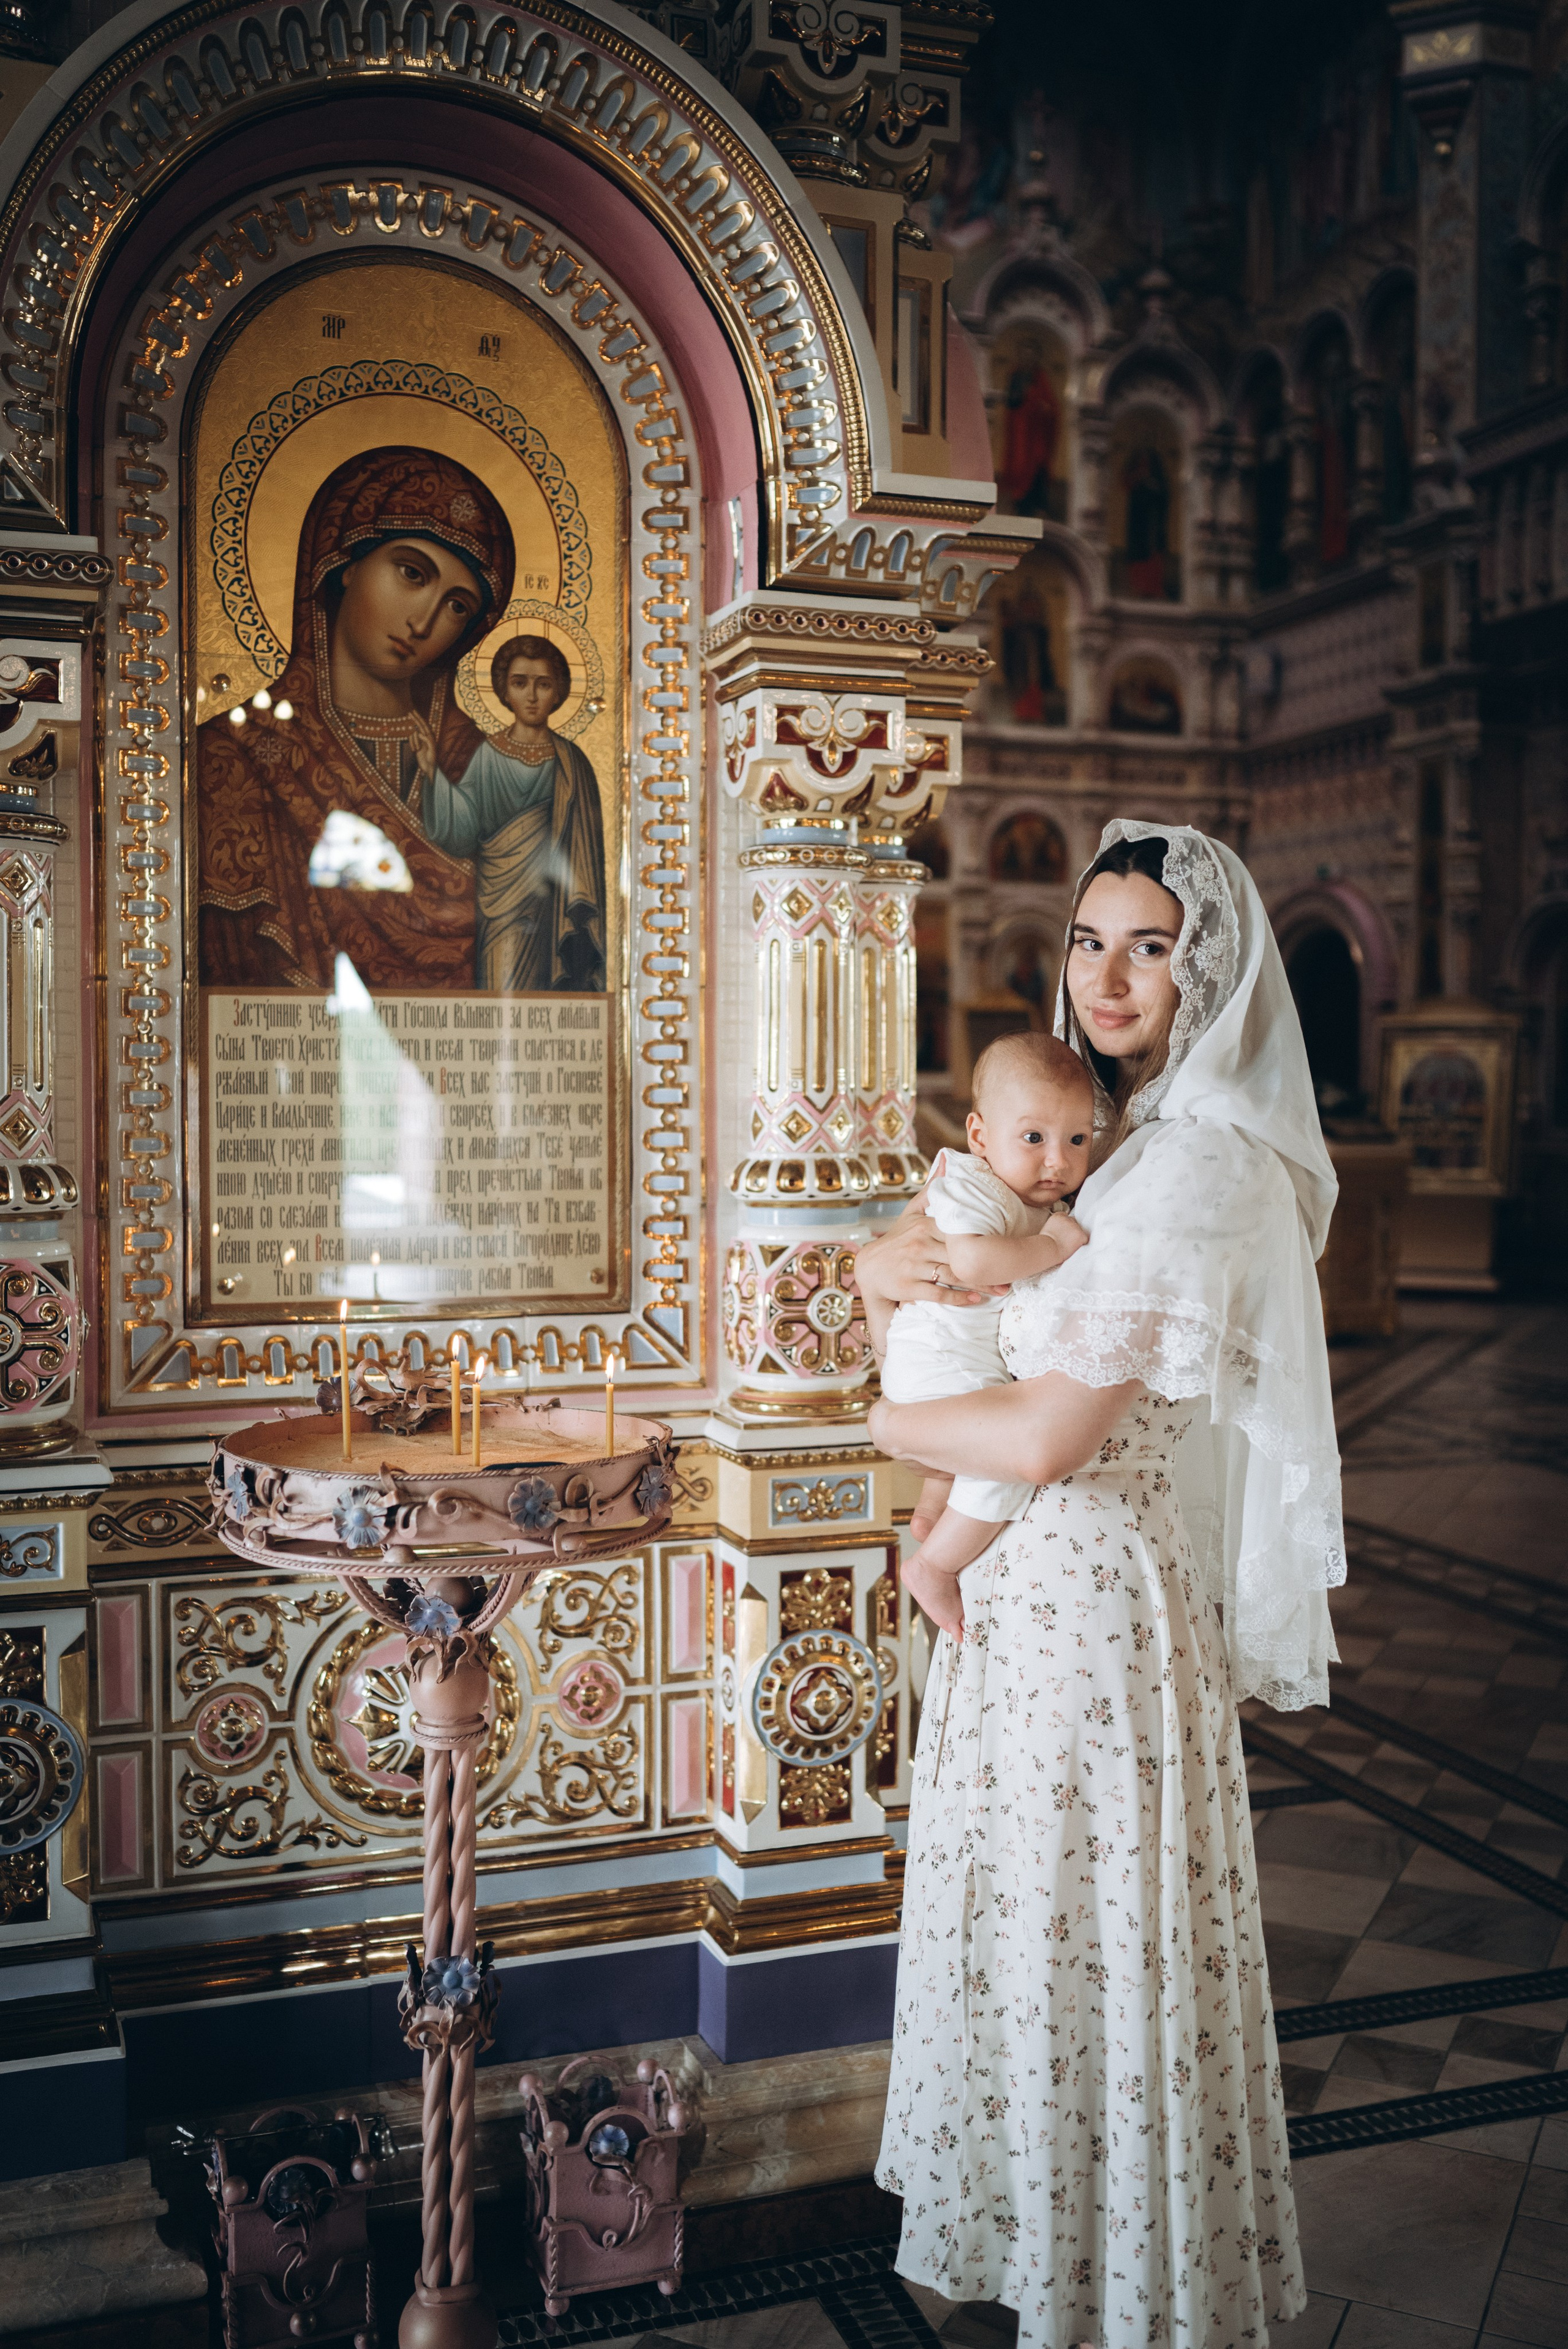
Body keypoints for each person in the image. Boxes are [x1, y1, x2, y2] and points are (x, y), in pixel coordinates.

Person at [859, 820, 1343, 2349]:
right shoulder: (1104, 1144)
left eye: (1149, 943)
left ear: (1210, 968)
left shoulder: (1199, 1165)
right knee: (1036, 1930)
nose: (1110, 972)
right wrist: (885, 1271)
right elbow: (940, 1249)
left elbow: (1045, 1428)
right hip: (1028, 1591)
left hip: (1093, 1601)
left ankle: (1125, 2286)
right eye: (1087, 938)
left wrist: (874, 1418)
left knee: (1094, 1928)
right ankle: (1054, 2257)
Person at [197, 445, 514, 992]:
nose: (424, 621)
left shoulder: (485, 768)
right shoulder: (235, 755)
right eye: (412, 573)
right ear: (342, 565)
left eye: (458, 605)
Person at [875, 1033, 1092, 1638]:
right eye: (1034, 1138)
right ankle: (934, 1566)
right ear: (978, 1137)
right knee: (999, 1464)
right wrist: (1048, 1246)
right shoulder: (972, 1188)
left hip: (940, 1363)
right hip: (939, 1365)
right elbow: (969, 1263)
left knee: (965, 1452)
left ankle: (931, 1508)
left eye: (1077, 1138)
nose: (1058, 1160)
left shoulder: (1016, 1188)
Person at [420, 635, 606, 992]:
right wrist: (433, 775)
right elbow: (465, 826)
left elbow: (586, 849)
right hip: (500, 905)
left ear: (559, 692)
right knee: (502, 990)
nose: (532, 696)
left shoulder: (573, 762)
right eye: (520, 684)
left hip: (555, 903)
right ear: (504, 692)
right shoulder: (489, 755)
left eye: (543, 684)